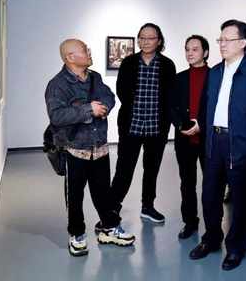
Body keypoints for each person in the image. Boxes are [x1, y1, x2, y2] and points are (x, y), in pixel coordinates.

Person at [189, 20, 246, 271]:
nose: (222, 44)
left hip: (241, 144)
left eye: (228, 40)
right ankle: (211, 239)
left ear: (243, 43)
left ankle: (236, 248)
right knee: (210, 195)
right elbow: (206, 106)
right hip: (214, 142)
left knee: (240, 199)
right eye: (221, 39)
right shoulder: (215, 72)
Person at [45, 39, 135, 257]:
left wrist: (102, 108)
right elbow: (57, 116)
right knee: (75, 197)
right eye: (84, 50)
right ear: (70, 57)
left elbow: (109, 97)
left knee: (104, 193)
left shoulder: (95, 77)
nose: (89, 52)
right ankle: (77, 234)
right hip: (75, 150)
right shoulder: (57, 85)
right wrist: (88, 110)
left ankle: (109, 228)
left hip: (100, 148)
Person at [110, 23, 176, 225]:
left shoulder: (167, 65)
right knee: (124, 168)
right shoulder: (129, 62)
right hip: (132, 125)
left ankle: (148, 206)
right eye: (142, 37)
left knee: (151, 169)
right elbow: (121, 91)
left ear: (159, 41)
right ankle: (112, 207)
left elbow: (170, 96)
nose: (145, 41)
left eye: (150, 38)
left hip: (157, 126)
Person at [170, 35, 210, 239]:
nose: (190, 53)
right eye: (187, 49)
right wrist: (180, 125)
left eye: (195, 49)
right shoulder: (179, 78)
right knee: (187, 183)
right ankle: (190, 222)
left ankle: (212, 225)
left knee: (211, 184)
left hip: (208, 139)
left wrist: (201, 124)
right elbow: (171, 107)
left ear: (205, 52)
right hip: (184, 138)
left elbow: (217, 107)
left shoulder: (215, 76)